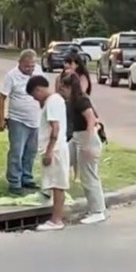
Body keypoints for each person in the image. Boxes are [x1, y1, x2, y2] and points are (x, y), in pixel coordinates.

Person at [60, 73, 107, 224]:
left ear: (70, 87)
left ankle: (98, 211)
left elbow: (91, 120)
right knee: (63, 160)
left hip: (87, 138)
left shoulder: (81, 100)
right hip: (76, 138)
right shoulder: (71, 101)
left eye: (64, 88)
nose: (62, 91)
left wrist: (87, 143)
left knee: (89, 176)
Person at [0, 49, 44, 195]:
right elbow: (1, 98)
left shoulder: (38, 71)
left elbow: (43, 91)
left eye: (32, 66)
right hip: (17, 119)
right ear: (19, 63)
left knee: (31, 151)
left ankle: (27, 178)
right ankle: (14, 181)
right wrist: (1, 119)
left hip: (34, 119)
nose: (30, 69)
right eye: (26, 66)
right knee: (16, 151)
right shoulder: (11, 76)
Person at [26, 75, 70, 231]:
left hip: (55, 150)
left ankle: (56, 220)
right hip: (56, 148)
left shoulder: (52, 102)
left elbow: (55, 128)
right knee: (55, 184)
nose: (36, 100)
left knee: (58, 185)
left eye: (34, 96)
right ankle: (56, 217)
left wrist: (49, 151)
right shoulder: (55, 101)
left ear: (38, 89)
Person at [58, 50, 92, 179]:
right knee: (68, 146)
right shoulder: (62, 77)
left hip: (78, 116)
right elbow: (58, 92)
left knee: (79, 150)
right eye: (65, 62)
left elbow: (91, 118)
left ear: (77, 64)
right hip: (67, 111)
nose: (66, 65)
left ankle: (76, 175)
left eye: (69, 63)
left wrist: (89, 141)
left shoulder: (81, 82)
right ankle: (66, 175)